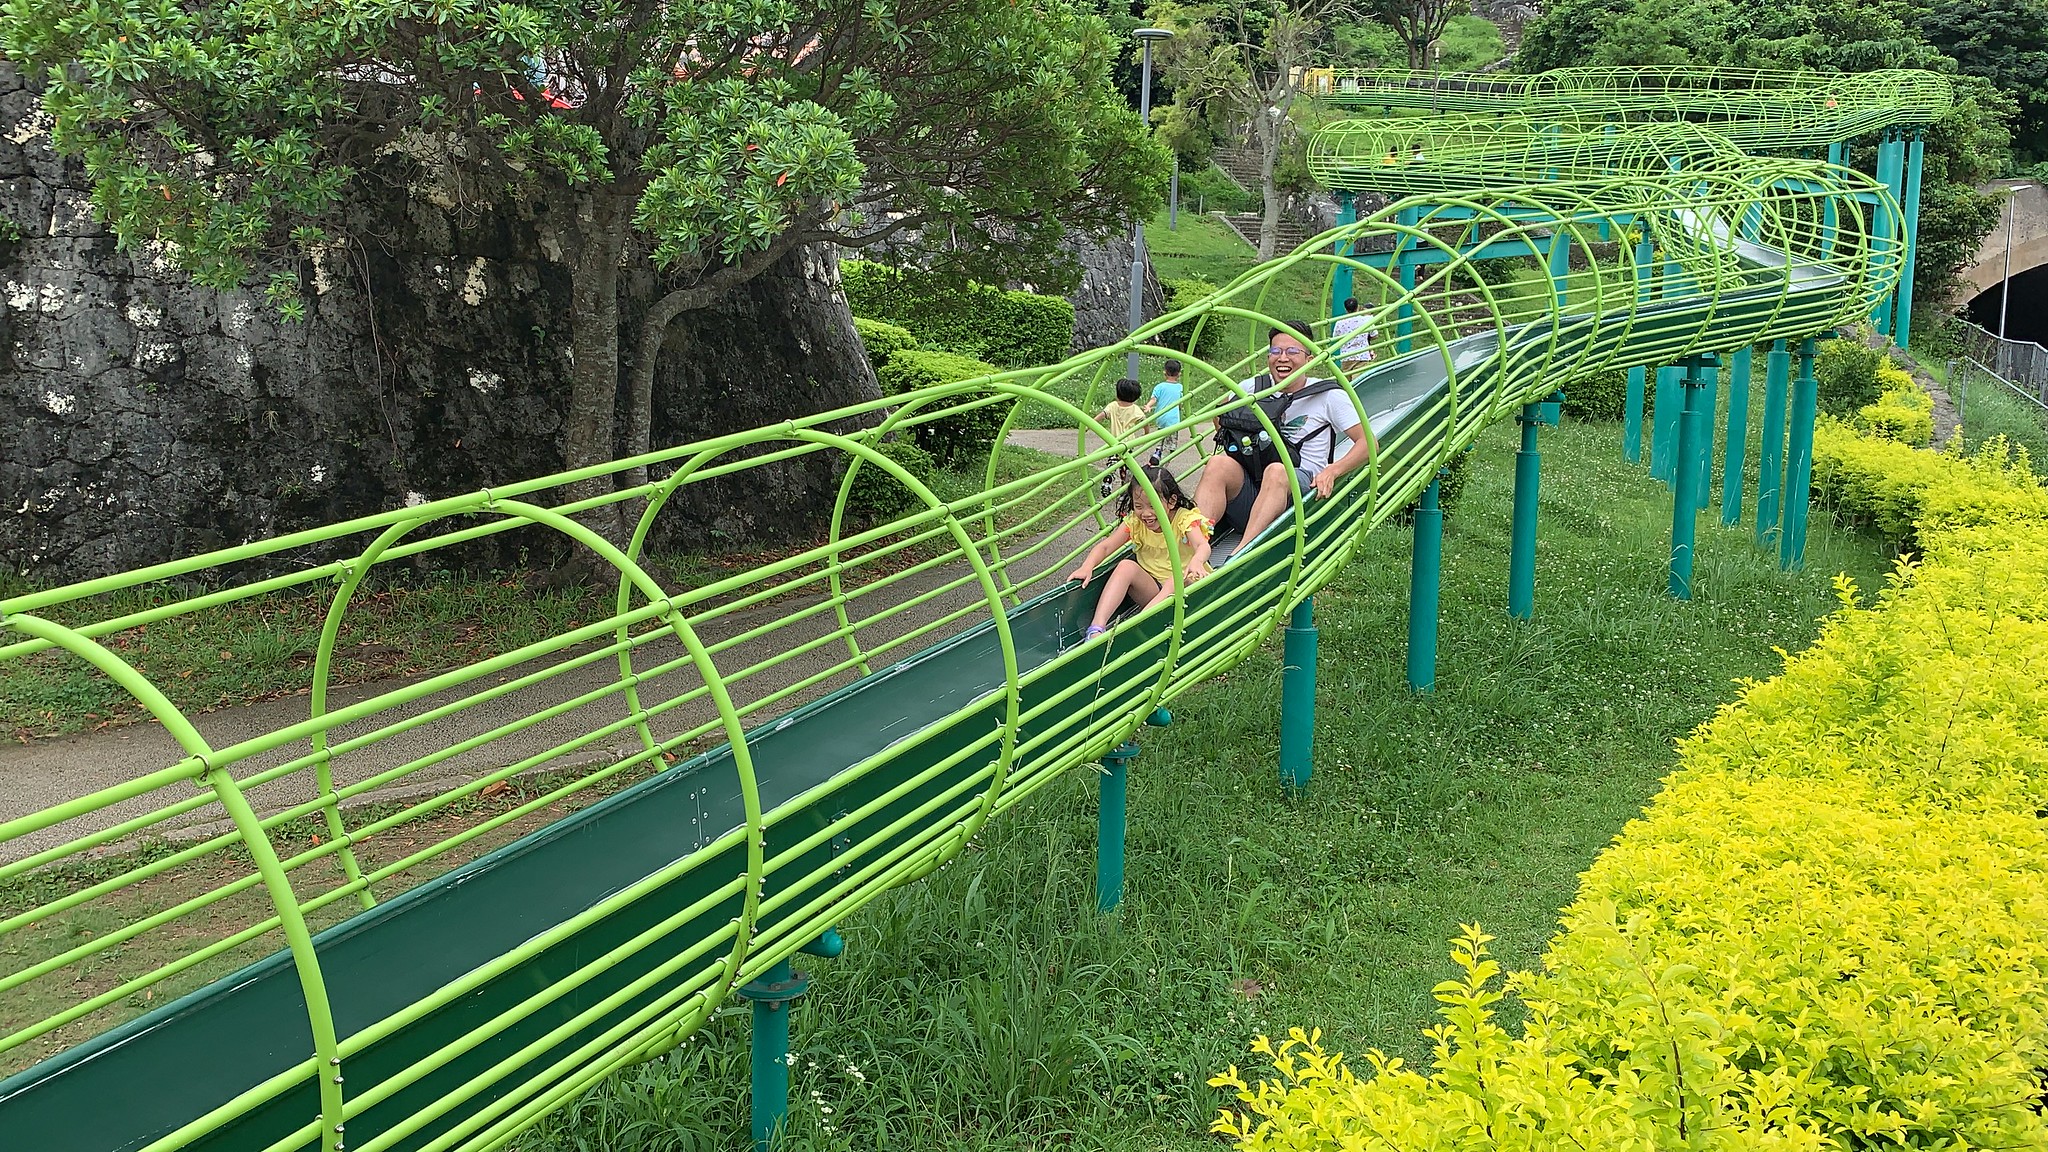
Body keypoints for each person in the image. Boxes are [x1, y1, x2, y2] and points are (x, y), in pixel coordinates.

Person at [1193, 325, 1372, 548]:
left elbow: (1368, 443)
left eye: (1293, 352)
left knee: (1277, 470)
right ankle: (1194, 547)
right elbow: (1220, 416)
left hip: (1297, 497)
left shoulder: (1329, 396)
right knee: (1218, 463)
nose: (1282, 358)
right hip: (1252, 489)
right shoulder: (1251, 387)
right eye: (1276, 352)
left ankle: (1240, 555)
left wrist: (1332, 471)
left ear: (1309, 358)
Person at [1068, 466, 1213, 640]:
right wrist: (1087, 566)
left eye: (1153, 506)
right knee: (1125, 566)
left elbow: (1202, 546)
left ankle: (1139, 625)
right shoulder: (1136, 522)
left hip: (1189, 590)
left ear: (1172, 501)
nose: (1146, 513)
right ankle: (1096, 628)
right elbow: (1106, 546)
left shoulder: (1184, 519)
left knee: (1177, 579)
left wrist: (1197, 562)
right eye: (1139, 506)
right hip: (1155, 593)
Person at [1095, 377, 1150, 496]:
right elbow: (1145, 423)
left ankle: (1108, 481)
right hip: (1129, 444)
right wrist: (1146, 434)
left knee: (1112, 464)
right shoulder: (1136, 409)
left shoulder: (1113, 406)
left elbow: (1102, 415)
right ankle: (1125, 487)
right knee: (1127, 465)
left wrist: (1090, 424)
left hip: (1114, 442)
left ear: (1118, 393)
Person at [1148, 360, 1185, 464]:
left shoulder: (1160, 386)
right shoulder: (1180, 388)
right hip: (1173, 420)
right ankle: (1166, 459)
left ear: (1164, 372)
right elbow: (1180, 404)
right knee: (1171, 441)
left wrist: (1148, 406)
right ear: (1179, 373)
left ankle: (1157, 452)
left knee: (1160, 436)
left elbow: (1154, 399)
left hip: (1161, 418)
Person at [1331, 298, 1373, 376]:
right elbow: (1374, 334)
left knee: (1347, 382)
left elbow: (1335, 337)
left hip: (1346, 356)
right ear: (1358, 307)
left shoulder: (1340, 322)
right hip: (1362, 355)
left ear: (1345, 309)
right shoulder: (1366, 320)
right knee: (1358, 381)